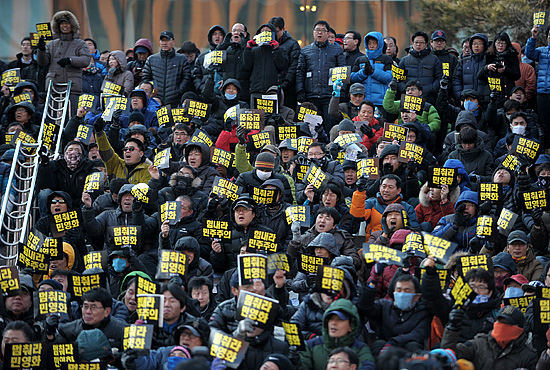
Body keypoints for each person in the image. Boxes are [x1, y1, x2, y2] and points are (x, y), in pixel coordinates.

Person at [440, 305, 538, 369]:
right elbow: (448, 354)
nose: (502, 326)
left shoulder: (528, 355)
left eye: (507, 324)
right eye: (499, 322)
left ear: (519, 329)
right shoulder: (479, 343)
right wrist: (452, 329)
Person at [359, 272, 431, 354]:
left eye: (406, 291)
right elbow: (364, 308)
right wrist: (373, 281)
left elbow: (418, 334)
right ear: (394, 293)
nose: (402, 294)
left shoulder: (422, 311)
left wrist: (394, 342)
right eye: (399, 290)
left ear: (417, 296)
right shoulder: (384, 306)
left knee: (413, 346)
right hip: (384, 350)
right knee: (378, 344)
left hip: (407, 350)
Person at [36, 10, 91, 111]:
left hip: (72, 87)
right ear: (58, 26)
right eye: (62, 23)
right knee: (52, 118)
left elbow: (86, 60)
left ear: (72, 25)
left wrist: (70, 60)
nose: (64, 26)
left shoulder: (80, 43)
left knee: (71, 116)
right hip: (53, 86)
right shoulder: (51, 44)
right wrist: (41, 50)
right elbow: (42, 62)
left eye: (67, 23)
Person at [296, 20, 345, 132]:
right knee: (311, 128)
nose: (320, 33)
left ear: (328, 34)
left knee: (330, 126)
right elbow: (300, 72)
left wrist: (341, 92)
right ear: (313, 32)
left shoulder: (336, 50)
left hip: (330, 96)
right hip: (311, 96)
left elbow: (342, 71)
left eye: (323, 30)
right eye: (317, 30)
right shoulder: (305, 51)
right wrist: (300, 91)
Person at [300, 299, 375, 370]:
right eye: (331, 319)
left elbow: (368, 366)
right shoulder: (310, 346)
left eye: (340, 319)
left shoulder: (360, 348)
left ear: (351, 326)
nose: (334, 323)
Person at [351, 174, 420, 240]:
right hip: (374, 244)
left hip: (399, 245)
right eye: (384, 186)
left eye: (390, 187)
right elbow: (358, 216)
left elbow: (415, 230)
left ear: (398, 190)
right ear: (380, 187)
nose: (386, 190)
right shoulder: (371, 203)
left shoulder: (407, 208)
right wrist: (360, 192)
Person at [52, 288, 127, 348]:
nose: (88, 312)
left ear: (107, 311)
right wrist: (49, 334)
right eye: (85, 306)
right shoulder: (67, 331)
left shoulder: (123, 331)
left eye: (93, 307)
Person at [142, 31, 191, 106]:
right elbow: (146, 79)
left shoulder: (182, 59)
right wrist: (154, 93)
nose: (164, 43)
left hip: (175, 103)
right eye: (162, 40)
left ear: (173, 42)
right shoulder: (151, 59)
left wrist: (178, 91)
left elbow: (186, 78)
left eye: (167, 40)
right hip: (155, 102)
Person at [350, 31, 393, 108]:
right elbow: (352, 78)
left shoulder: (386, 59)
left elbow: (389, 77)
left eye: (374, 43)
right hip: (363, 102)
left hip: (380, 102)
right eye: (369, 43)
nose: (372, 45)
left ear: (379, 44)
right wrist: (363, 73)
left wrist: (374, 72)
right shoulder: (360, 59)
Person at [398, 31, 443, 104]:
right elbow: (399, 80)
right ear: (412, 44)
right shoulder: (404, 60)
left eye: (421, 42)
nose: (418, 44)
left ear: (426, 44)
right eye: (416, 42)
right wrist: (407, 90)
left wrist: (432, 89)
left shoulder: (434, 59)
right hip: (409, 98)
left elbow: (439, 77)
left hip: (428, 97)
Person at [453, 33, 489, 102]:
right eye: (474, 43)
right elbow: (456, 80)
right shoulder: (463, 62)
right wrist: (460, 96)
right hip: (467, 101)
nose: (476, 46)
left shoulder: (489, 62)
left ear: (485, 45)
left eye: (479, 43)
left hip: (484, 102)